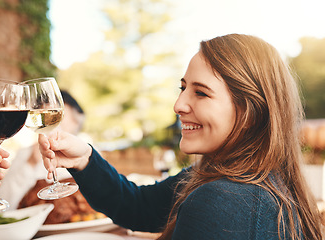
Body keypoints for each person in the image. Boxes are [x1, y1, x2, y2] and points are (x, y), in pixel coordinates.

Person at [38, 34, 323, 239]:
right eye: (183, 87)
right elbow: (139, 206)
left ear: (248, 113)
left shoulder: (223, 200)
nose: (178, 106)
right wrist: (86, 158)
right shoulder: (243, 177)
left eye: (201, 92)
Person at [0, 90, 87, 210]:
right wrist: (31, 163)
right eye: (43, 111)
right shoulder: (25, 153)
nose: (48, 119)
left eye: (58, 113)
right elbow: (2, 203)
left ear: (77, 121)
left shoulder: (86, 154)